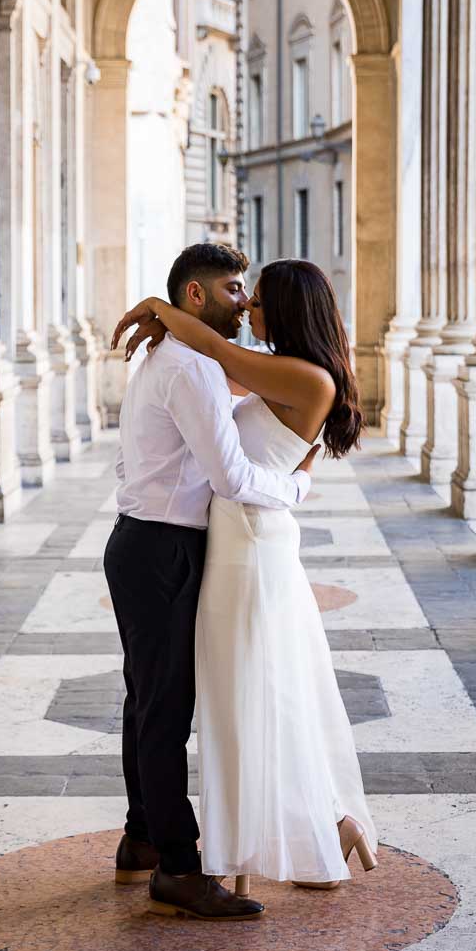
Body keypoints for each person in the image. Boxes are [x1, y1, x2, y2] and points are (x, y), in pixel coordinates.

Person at [112, 256, 377, 893]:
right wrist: (168, 315)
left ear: (284, 309)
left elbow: (210, 354)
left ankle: (298, 827)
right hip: (225, 543)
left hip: (248, 546)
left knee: (250, 696)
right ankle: (297, 826)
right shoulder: (262, 372)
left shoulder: (300, 377)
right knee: (224, 697)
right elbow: (207, 365)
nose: (246, 307)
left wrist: (161, 307)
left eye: (255, 298)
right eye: (239, 294)